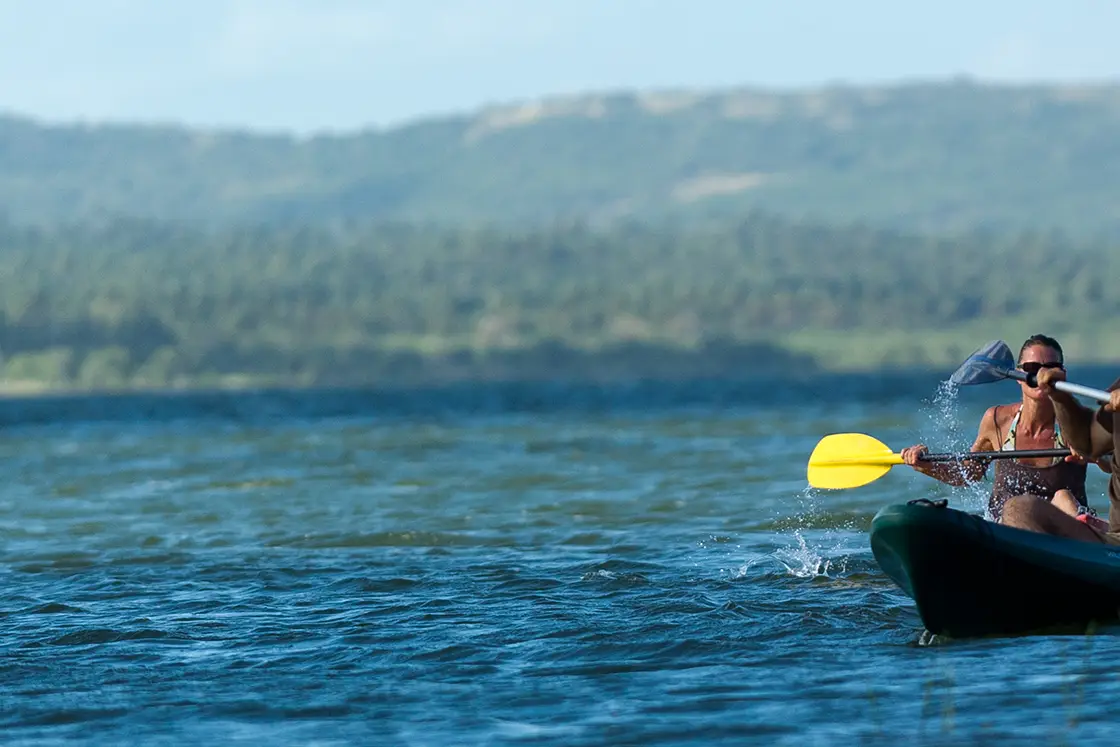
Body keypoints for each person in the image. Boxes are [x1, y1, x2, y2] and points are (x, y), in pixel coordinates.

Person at [900, 334, 1110, 523]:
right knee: (1014, 507)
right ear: (1018, 376)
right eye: (1032, 369)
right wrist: (924, 465)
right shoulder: (997, 420)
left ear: (1062, 374)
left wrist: (1094, 456)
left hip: (1063, 528)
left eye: (1051, 368)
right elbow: (968, 474)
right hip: (1007, 526)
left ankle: (1090, 530)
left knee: (1062, 497)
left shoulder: (1075, 421)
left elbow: (1112, 465)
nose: (1041, 376)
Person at [999, 369, 1120, 543]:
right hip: (1115, 541)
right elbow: (1087, 444)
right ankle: (1038, 564)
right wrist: (1059, 397)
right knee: (1019, 508)